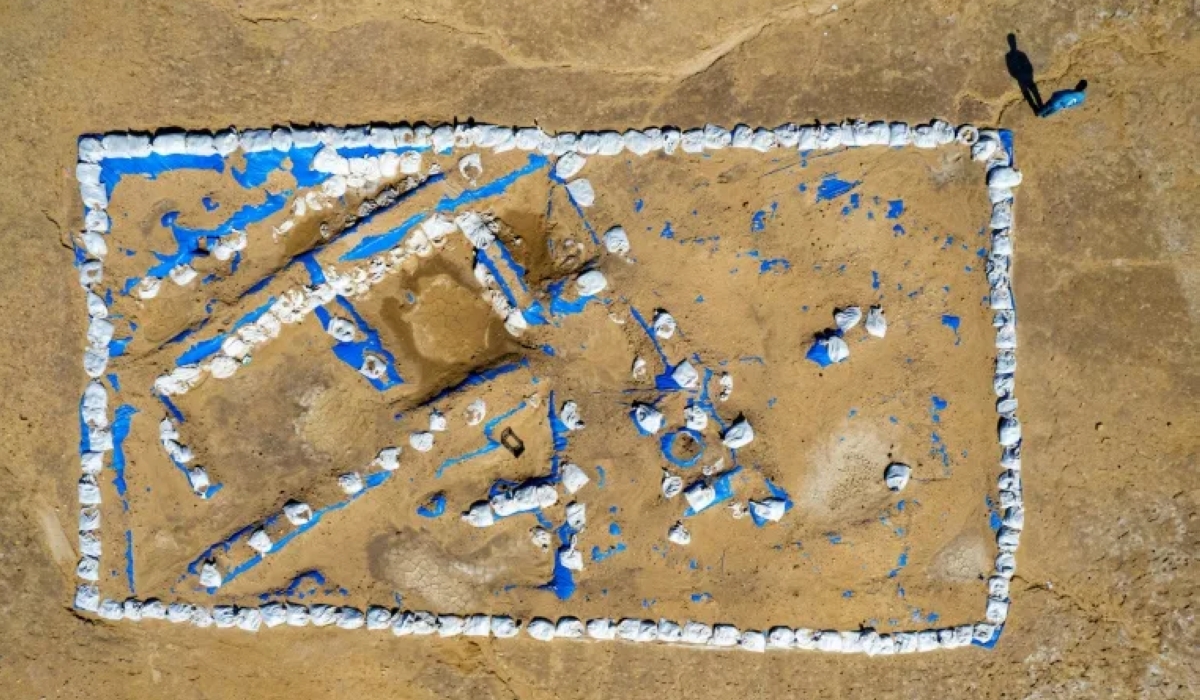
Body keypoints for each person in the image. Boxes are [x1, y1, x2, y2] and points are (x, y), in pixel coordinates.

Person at [1005, 34, 1042, 114]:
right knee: (1028, 96)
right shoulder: (1008, 56)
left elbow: (1028, 64)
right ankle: (1036, 110)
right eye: (1011, 41)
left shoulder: (1021, 54)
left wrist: (1028, 73)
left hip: (1027, 77)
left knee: (1035, 93)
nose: (1012, 43)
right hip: (1021, 79)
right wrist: (1017, 76)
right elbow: (1010, 69)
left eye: (1013, 41)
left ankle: (1041, 108)